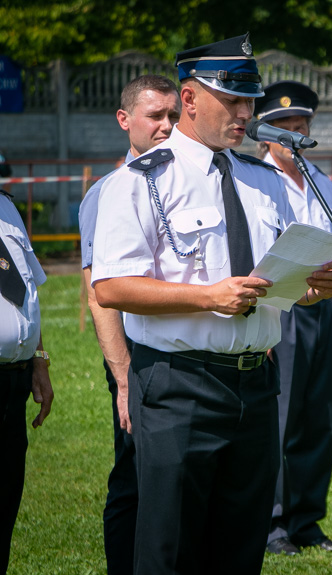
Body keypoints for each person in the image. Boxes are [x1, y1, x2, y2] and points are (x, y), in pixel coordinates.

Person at [90, 34, 332, 575]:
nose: (244, 113)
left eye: (248, 101)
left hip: (256, 387)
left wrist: (310, 286)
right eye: (231, 101)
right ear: (188, 99)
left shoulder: (263, 181)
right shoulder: (142, 180)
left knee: (240, 547)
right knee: (170, 548)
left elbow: (272, 282)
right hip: (181, 385)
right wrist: (207, 297)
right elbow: (111, 286)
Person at [78, 73, 180, 575]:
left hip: (177, 356)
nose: (166, 127)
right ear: (125, 121)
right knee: (135, 478)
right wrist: (122, 379)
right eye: (155, 116)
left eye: (174, 117)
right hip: (137, 363)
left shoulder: (183, 181)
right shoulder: (110, 192)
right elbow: (102, 296)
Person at [254, 80, 332, 556]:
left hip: (320, 310)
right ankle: (272, 525)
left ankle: (308, 521)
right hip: (278, 309)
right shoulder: (254, 179)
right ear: (266, 135)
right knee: (280, 420)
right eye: (285, 128)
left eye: (302, 126)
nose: (296, 135)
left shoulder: (322, 180)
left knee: (318, 420)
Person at [0, 189, 53, 575]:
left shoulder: (6, 206)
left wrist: (39, 358)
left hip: (13, 384)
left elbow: (28, 293)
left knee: (4, 513)